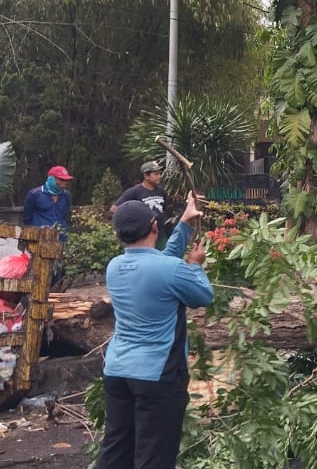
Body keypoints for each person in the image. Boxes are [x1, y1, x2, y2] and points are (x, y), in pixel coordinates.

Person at [98, 192, 212, 469]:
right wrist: (195, 265)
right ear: (155, 226)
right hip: (157, 376)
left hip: (117, 371)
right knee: (154, 457)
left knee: (116, 450)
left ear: (118, 235)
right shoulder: (170, 269)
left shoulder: (115, 267)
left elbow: (158, 263)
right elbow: (203, 296)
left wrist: (184, 223)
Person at [111, 161, 170, 244]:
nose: (159, 176)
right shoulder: (134, 191)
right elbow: (114, 209)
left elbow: (164, 209)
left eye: (159, 174)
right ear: (146, 176)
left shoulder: (161, 191)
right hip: (143, 239)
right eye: (156, 174)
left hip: (160, 237)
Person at [22, 165, 74, 241]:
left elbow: (65, 216)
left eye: (66, 180)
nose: (64, 183)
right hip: (38, 239)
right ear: (51, 179)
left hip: (61, 239)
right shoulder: (34, 194)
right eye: (61, 179)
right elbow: (26, 219)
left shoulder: (66, 195)